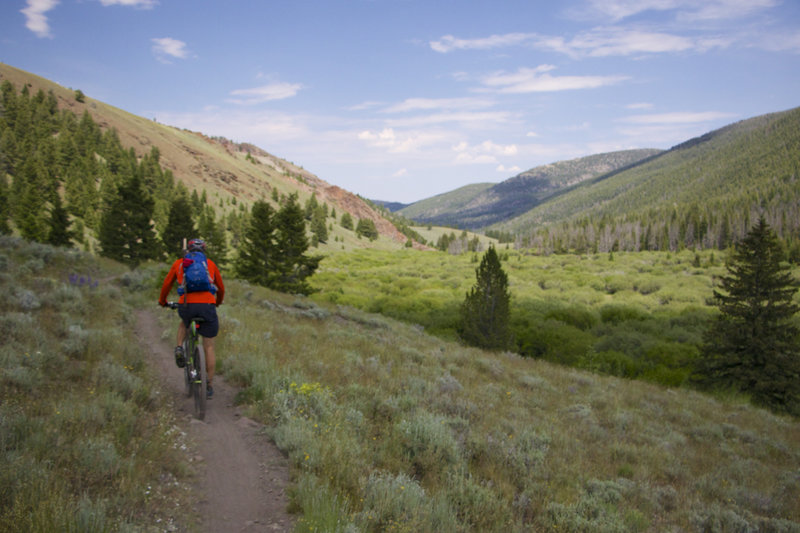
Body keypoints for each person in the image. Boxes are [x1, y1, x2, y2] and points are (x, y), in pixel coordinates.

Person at [159, 238, 225, 398]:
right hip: (207, 305)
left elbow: (167, 283)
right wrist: (216, 302)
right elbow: (221, 288)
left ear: (189, 250)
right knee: (208, 346)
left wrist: (163, 301)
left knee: (184, 323)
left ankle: (180, 347)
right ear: (203, 250)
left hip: (187, 305)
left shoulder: (180, 263)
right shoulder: (209, 264)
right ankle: (208, 386)